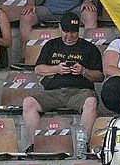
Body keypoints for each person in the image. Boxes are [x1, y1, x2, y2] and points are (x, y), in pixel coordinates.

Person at [22, 12, 103, 153]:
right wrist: (57, 69)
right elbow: (38, 69)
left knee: (91, 102)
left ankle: (84, 145)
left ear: (79, 30)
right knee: (28, 103)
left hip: (80, 92)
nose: (69, 35)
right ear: (60, 28)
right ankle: (37, 145)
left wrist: (84, 71)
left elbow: (100, 76)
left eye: (73, 32)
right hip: (53, 92)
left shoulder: (89, 48)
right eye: (66, 31)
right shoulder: (51, 45)